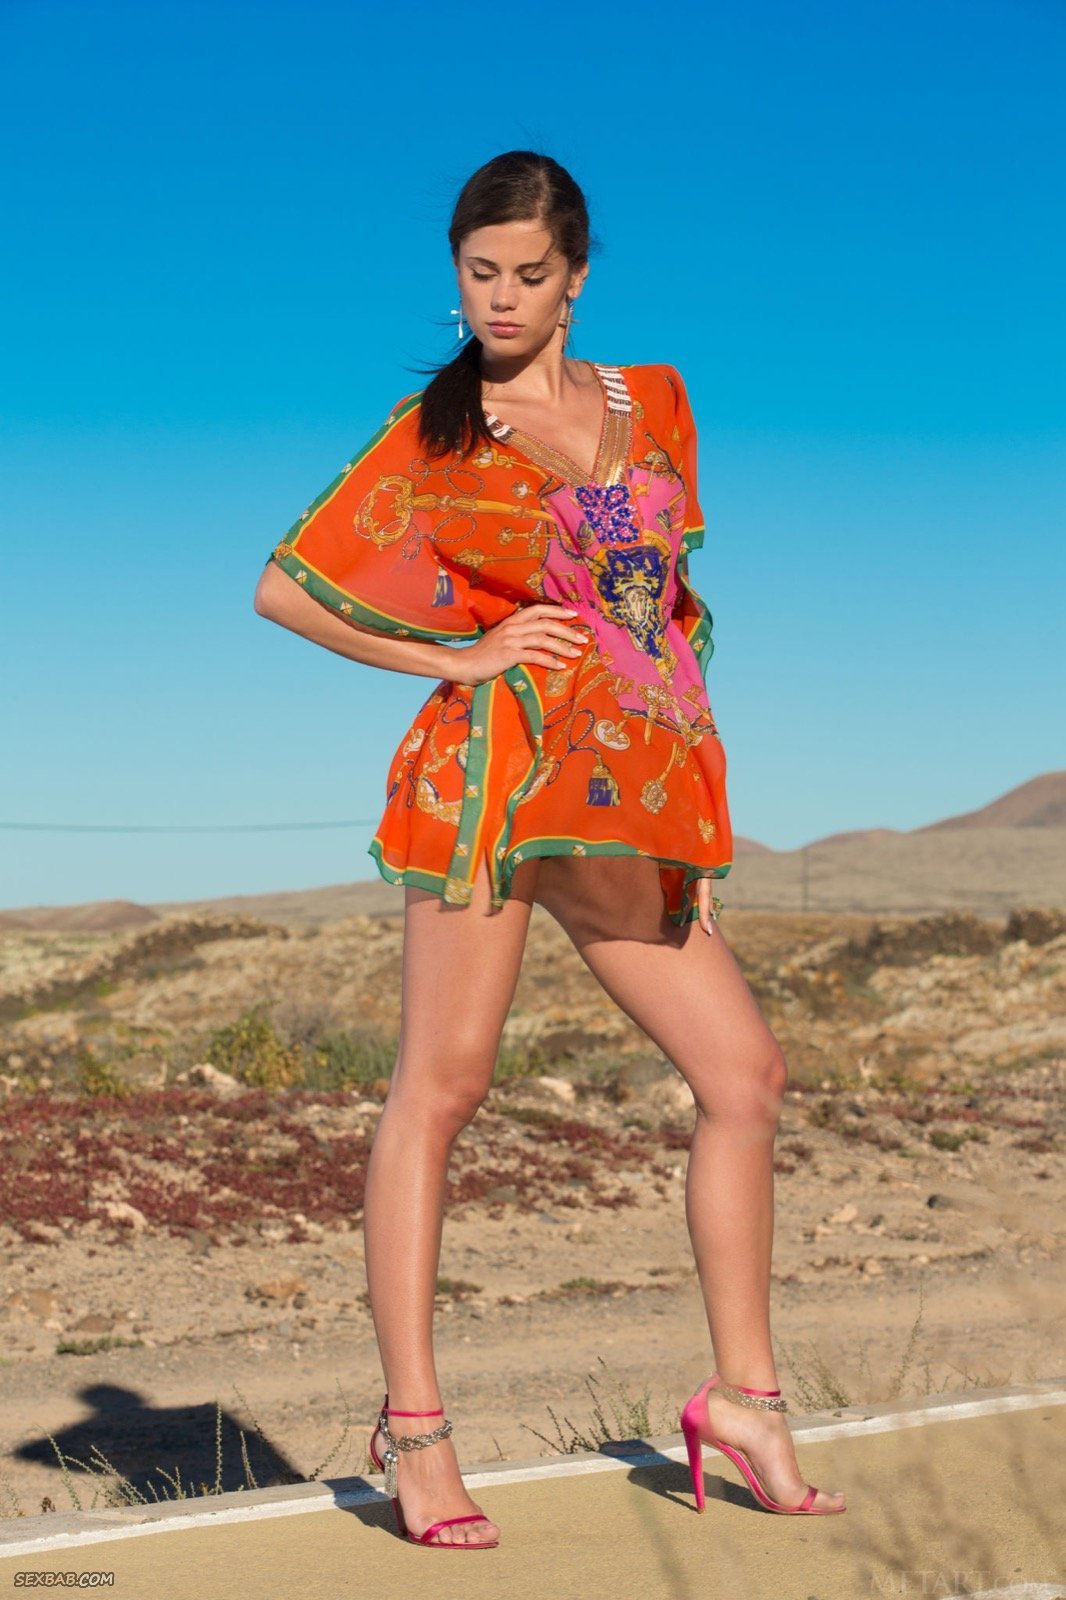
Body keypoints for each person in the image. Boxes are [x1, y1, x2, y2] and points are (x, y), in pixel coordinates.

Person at [254, 149, 847, 1550]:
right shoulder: (437, 433)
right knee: (441, 1087)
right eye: (480, 273)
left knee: (745, 1076)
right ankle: (414, 1433)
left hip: (626, 795)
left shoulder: (657, 401)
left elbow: (665, 613)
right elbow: (285, 587)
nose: (503, 298)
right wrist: (458, 654)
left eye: (530, 274)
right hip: (492, 783)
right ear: (455, 275)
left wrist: (690, 809)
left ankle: (745, 1400)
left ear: (576, 277)